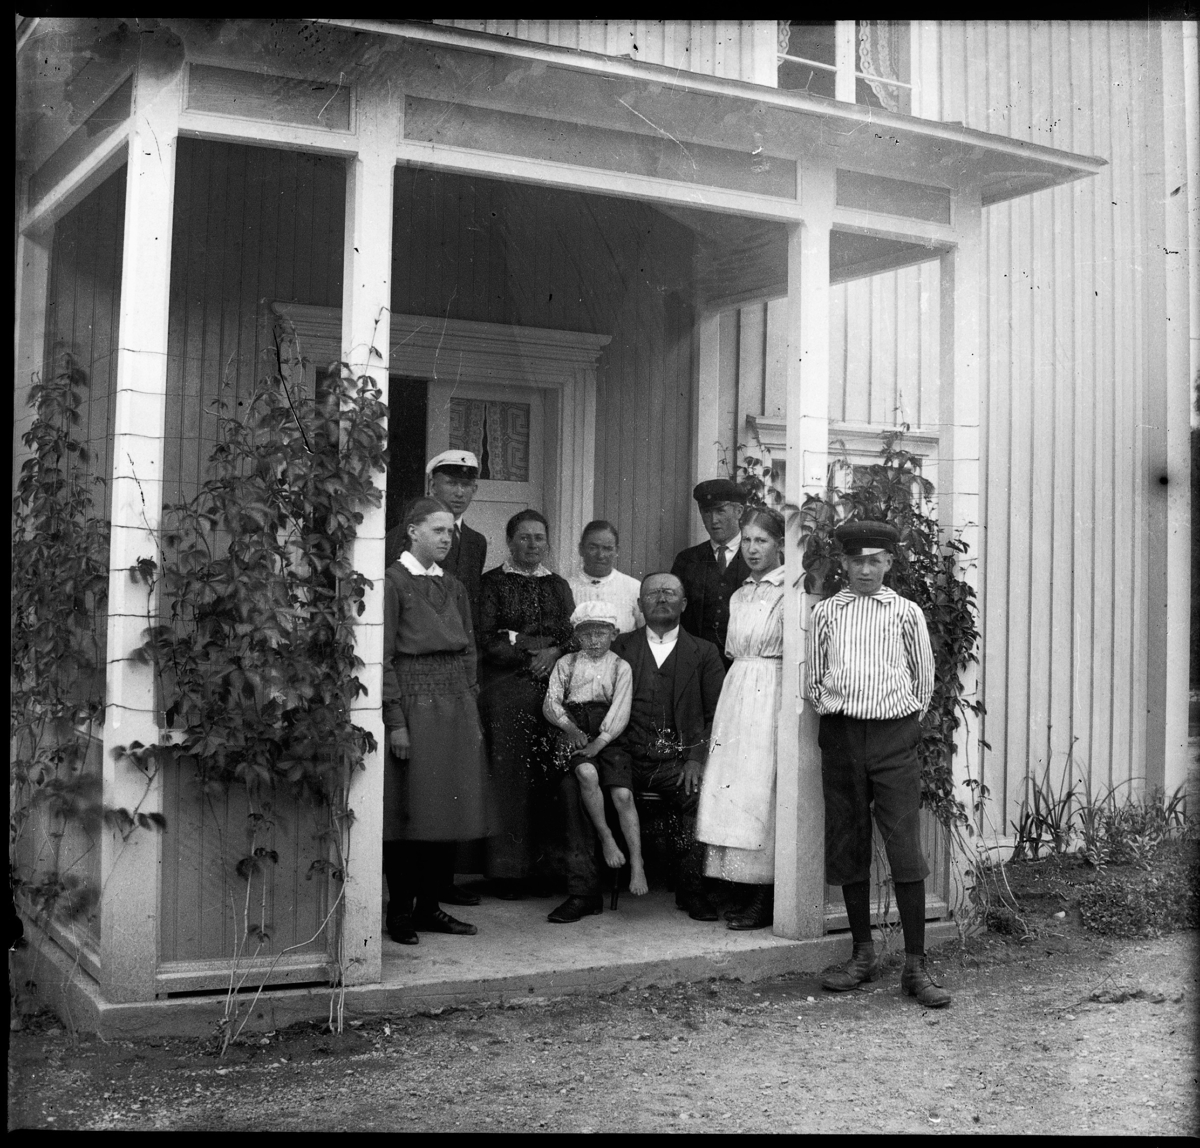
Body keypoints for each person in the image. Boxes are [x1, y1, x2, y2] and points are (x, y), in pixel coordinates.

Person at [808, 520, 948, 1008]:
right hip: (842, 736)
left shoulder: (906, 612)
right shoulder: (827, 612)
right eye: (856, 561)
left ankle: (915, 966)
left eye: (874, 561)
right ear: (843, 563)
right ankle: (862, 954)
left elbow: (924, 681)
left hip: (893, 737)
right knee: (848, 842)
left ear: (889, 562)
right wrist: (839, 709)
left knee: (904, 845)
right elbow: (815, 676)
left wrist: (899, 727)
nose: (865, 570)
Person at [548, 572, 726, 923]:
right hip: (620, 754)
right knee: (573, 787)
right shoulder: (617, 646)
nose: (661, 598)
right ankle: (584, 892)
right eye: (653, 593)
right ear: (640, 604)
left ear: (684, 603)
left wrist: (696, 758)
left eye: (670, 592)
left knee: (702, 794)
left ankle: (692, 890)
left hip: (675, 762)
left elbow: (717, 714)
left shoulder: (704, 652)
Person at [381, 496, 490, 944]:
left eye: (450, 531)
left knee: (448, 808)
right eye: (438, 530)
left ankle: (430, 908)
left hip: (455, 708)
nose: (447, 538)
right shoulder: (392, 583)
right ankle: (400, 913)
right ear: (413, 532)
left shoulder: (454, 586)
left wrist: (470, 708)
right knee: (411, 813)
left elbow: (468, 652)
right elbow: (384, 657)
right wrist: (396, 722)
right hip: (415, 707)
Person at [695, 506, 787, 930]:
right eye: (747, 540)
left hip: (771, 692)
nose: (752, 549)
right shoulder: (740, 594)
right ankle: (738, 885)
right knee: (732, 787)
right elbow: (733, 650)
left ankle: (765, 893)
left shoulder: (789, 591)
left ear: (779, 544)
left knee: (760, 788)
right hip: (738, 692)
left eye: (761, 541)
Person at [477, 509, 576, 898]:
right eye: (524, 537)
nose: (532, 544)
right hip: (507, 689)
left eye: (539, 538)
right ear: (509, 541)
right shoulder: (492, 583)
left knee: (550, 776)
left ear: (547, 543)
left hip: (552, 688)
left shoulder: (558, 585)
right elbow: (488, 639)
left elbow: (570, 634)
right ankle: (508, 871)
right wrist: (530, 653)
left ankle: (547, 871)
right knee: (511, 776)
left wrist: (551, 652)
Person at [542, 601, 643, 896]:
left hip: (609, 736)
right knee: (586, 773)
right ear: (577, 636)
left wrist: (600, 741)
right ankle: (606, 836)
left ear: (614, 634)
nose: (594, 640)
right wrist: (571, 729)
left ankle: (637, 862)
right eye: (586, 634)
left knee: (623, 795)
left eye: (600, 633)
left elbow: (620, 710)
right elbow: (551, 702)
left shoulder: (620, 667)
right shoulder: (567, 663)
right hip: (576, 729)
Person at [385, 450, 487, 633]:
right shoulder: (404, 534)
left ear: (475, 489)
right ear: (432, 486)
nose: (459, 492)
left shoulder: (476, 542)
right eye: (451, 483)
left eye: (466, 485)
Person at [671, 479, 750, 668]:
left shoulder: (755, 557)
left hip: (743, 663)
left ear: (739, 511)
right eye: (706, 512)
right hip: (697, 665)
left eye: (720, 511)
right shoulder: (687, 560)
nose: (713, 520)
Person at [567, 520, 643, 634]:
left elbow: (644, 634)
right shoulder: (566, 587)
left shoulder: (634, 588)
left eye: (607, 549)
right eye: (593, 547)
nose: (600, 555)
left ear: (616, 551)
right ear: (581, 549)